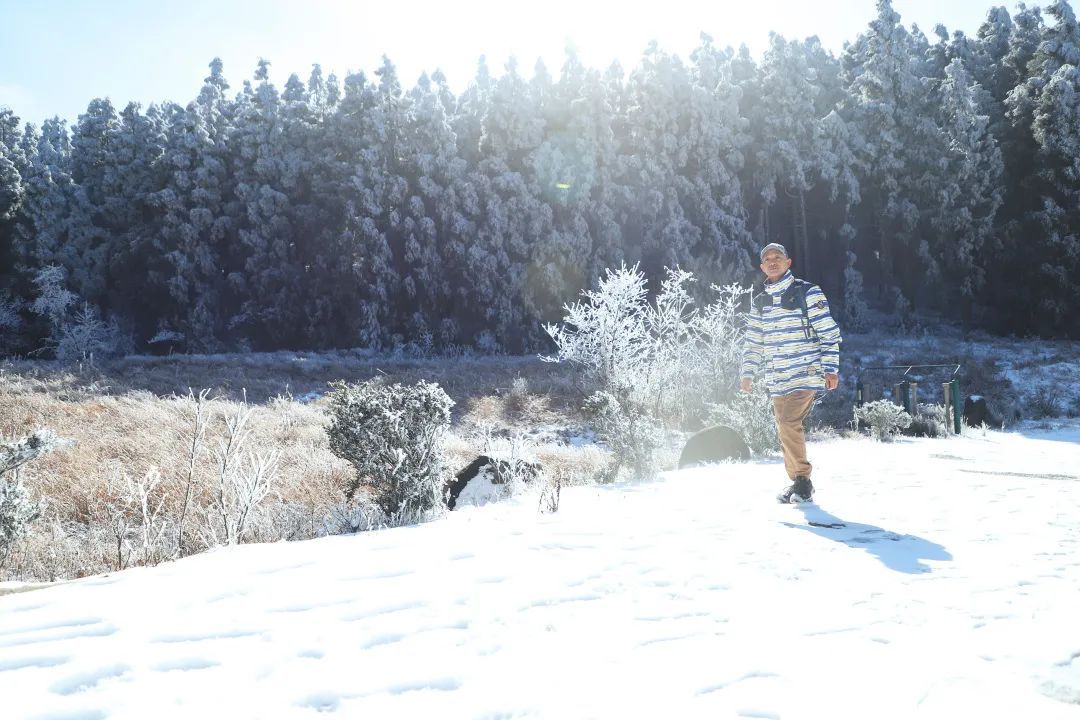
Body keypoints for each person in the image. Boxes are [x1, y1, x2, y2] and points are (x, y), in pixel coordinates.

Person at [739, 243, 842, 503]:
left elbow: (829, 334)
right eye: (767, 259)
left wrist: (830, 368)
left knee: (787, 423)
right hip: (777, 378)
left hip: (806, 372)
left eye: (778, 257)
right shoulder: (760, 301)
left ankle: (802, 481)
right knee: (785, 426)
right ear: (762, 267)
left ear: (788, 263)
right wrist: (748, 373)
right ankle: (798, 482)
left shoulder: (808, 292)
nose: (773, 261)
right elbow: (753, 341)